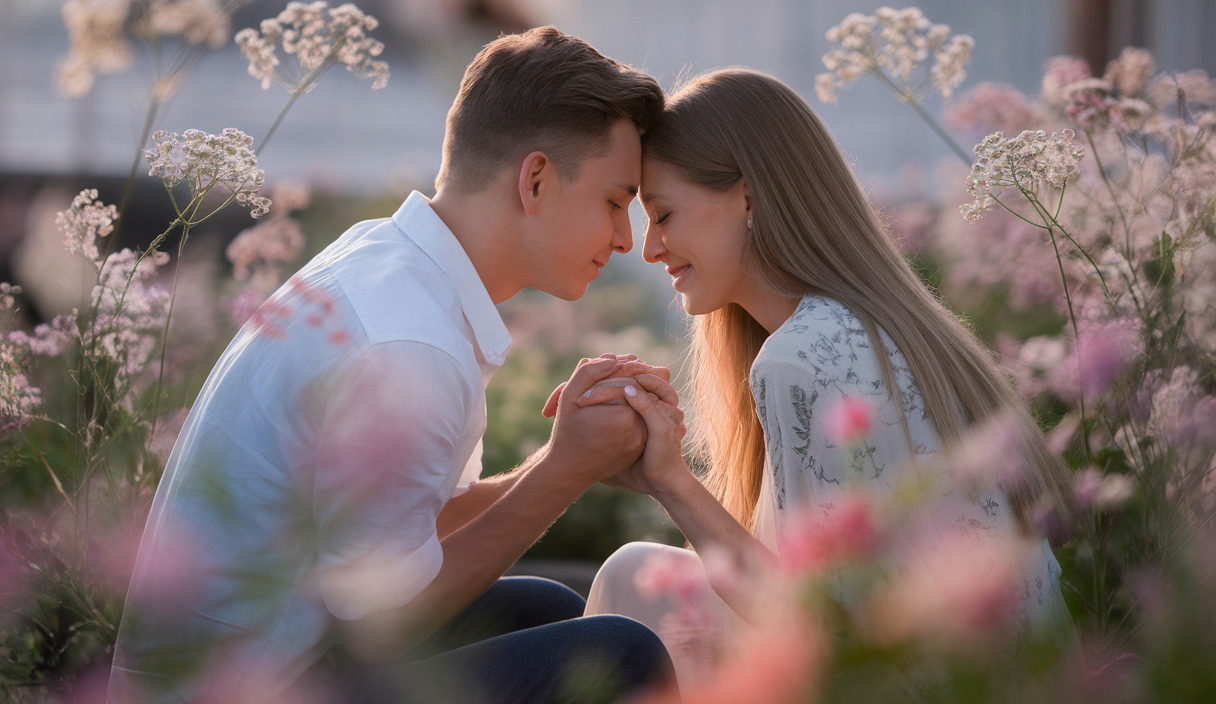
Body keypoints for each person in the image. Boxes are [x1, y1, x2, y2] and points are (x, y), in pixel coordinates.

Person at [108, 27, 679, 704]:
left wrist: (564, 456)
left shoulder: (389, 263)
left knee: (544, 607)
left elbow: (407, 534)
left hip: (279, 657)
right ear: (535, 180)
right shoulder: (407, 342)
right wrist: (564, 471)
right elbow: (384, 619)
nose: (624, 239)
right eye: (615, 202)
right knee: (621, 655)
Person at [578, 68, 1075, 686]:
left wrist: (669, 480)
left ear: (750, 196)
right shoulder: (890, 327)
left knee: (636, 580)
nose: (650, 248)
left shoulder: (799, 358)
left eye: (664, 214)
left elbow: (824, 635)